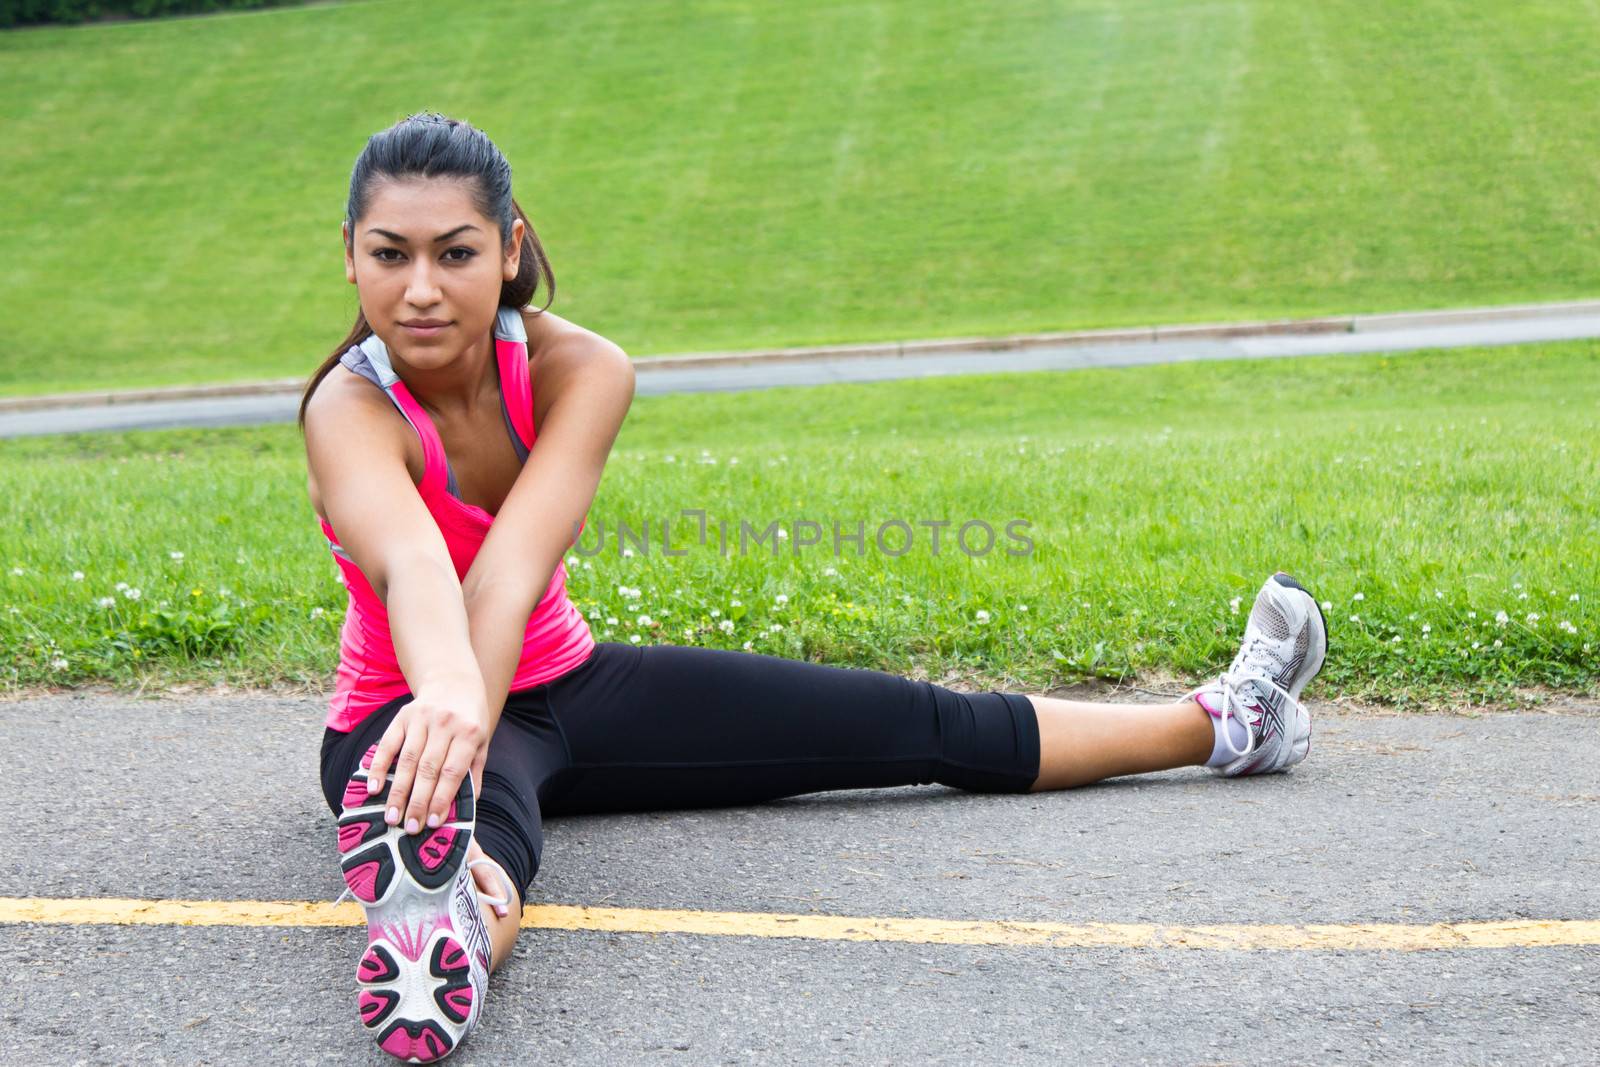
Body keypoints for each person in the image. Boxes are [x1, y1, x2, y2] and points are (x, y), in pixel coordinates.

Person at [301, 112, 1329, 1064]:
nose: (421, 288)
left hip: (561, 681)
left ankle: (1228, 720)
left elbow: (512, 571)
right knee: (485, 841)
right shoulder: (347, 410)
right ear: (349, 253)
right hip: (399, 720)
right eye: (389, 254)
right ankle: (446, 933)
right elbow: (418, 568)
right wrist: (446, 707)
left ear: (511, 247)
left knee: (922, 724)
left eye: (455, 252)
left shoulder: (583, 369)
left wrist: (465, 704)